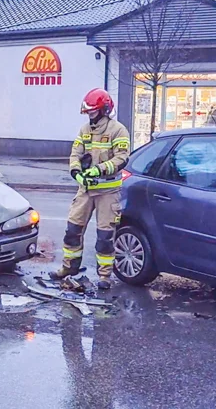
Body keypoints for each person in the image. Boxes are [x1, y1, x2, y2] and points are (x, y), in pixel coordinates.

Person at [51, 88, 130, 290]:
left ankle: (104, 276)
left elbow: (121, 158)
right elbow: (75, 153)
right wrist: (76, 171)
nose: (90, 115)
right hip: (85, 191)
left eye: (93, 112)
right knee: (72, 231)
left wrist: (99, 170)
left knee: (105, 237)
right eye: (88, 112)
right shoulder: (85, 130)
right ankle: (69, 268)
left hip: (107, 193)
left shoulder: (118, 130)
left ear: (104, 109)